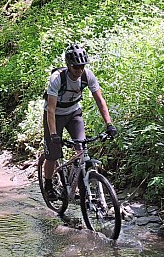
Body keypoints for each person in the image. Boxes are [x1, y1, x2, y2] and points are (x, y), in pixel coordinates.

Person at [41, 43, 116, 200]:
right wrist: (54, 134)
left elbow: (100, 101)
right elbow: (51, 110)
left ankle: (81, 182)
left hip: (74, 112)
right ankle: (48, 184)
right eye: (76, 67)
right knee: (52, 154)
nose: (79, 70)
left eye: (82, 66)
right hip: (54, 115)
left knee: (81, 148)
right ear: (69, 65)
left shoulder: (87, 75)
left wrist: (109, 124)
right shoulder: (57, 79)